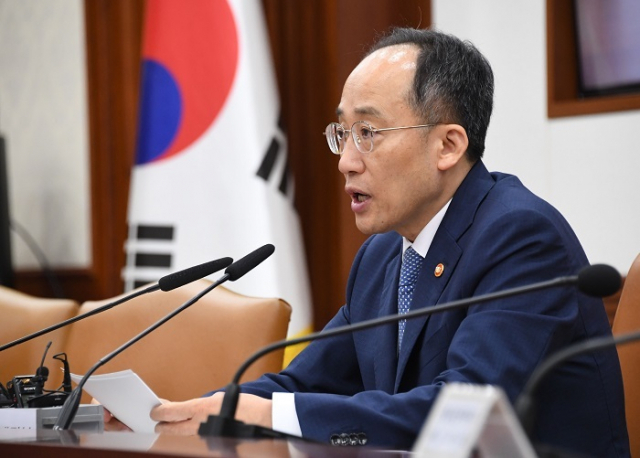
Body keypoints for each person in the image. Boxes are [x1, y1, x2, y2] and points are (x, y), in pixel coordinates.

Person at [110, 28, 630, 456]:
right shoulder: (383, 255)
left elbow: (461, 416)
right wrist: (195, 411)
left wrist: (271, 414)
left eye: (368, 133)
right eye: (343, 133)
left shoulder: (521, 238)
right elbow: (302, 385)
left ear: (448, 145)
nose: (346, 161)